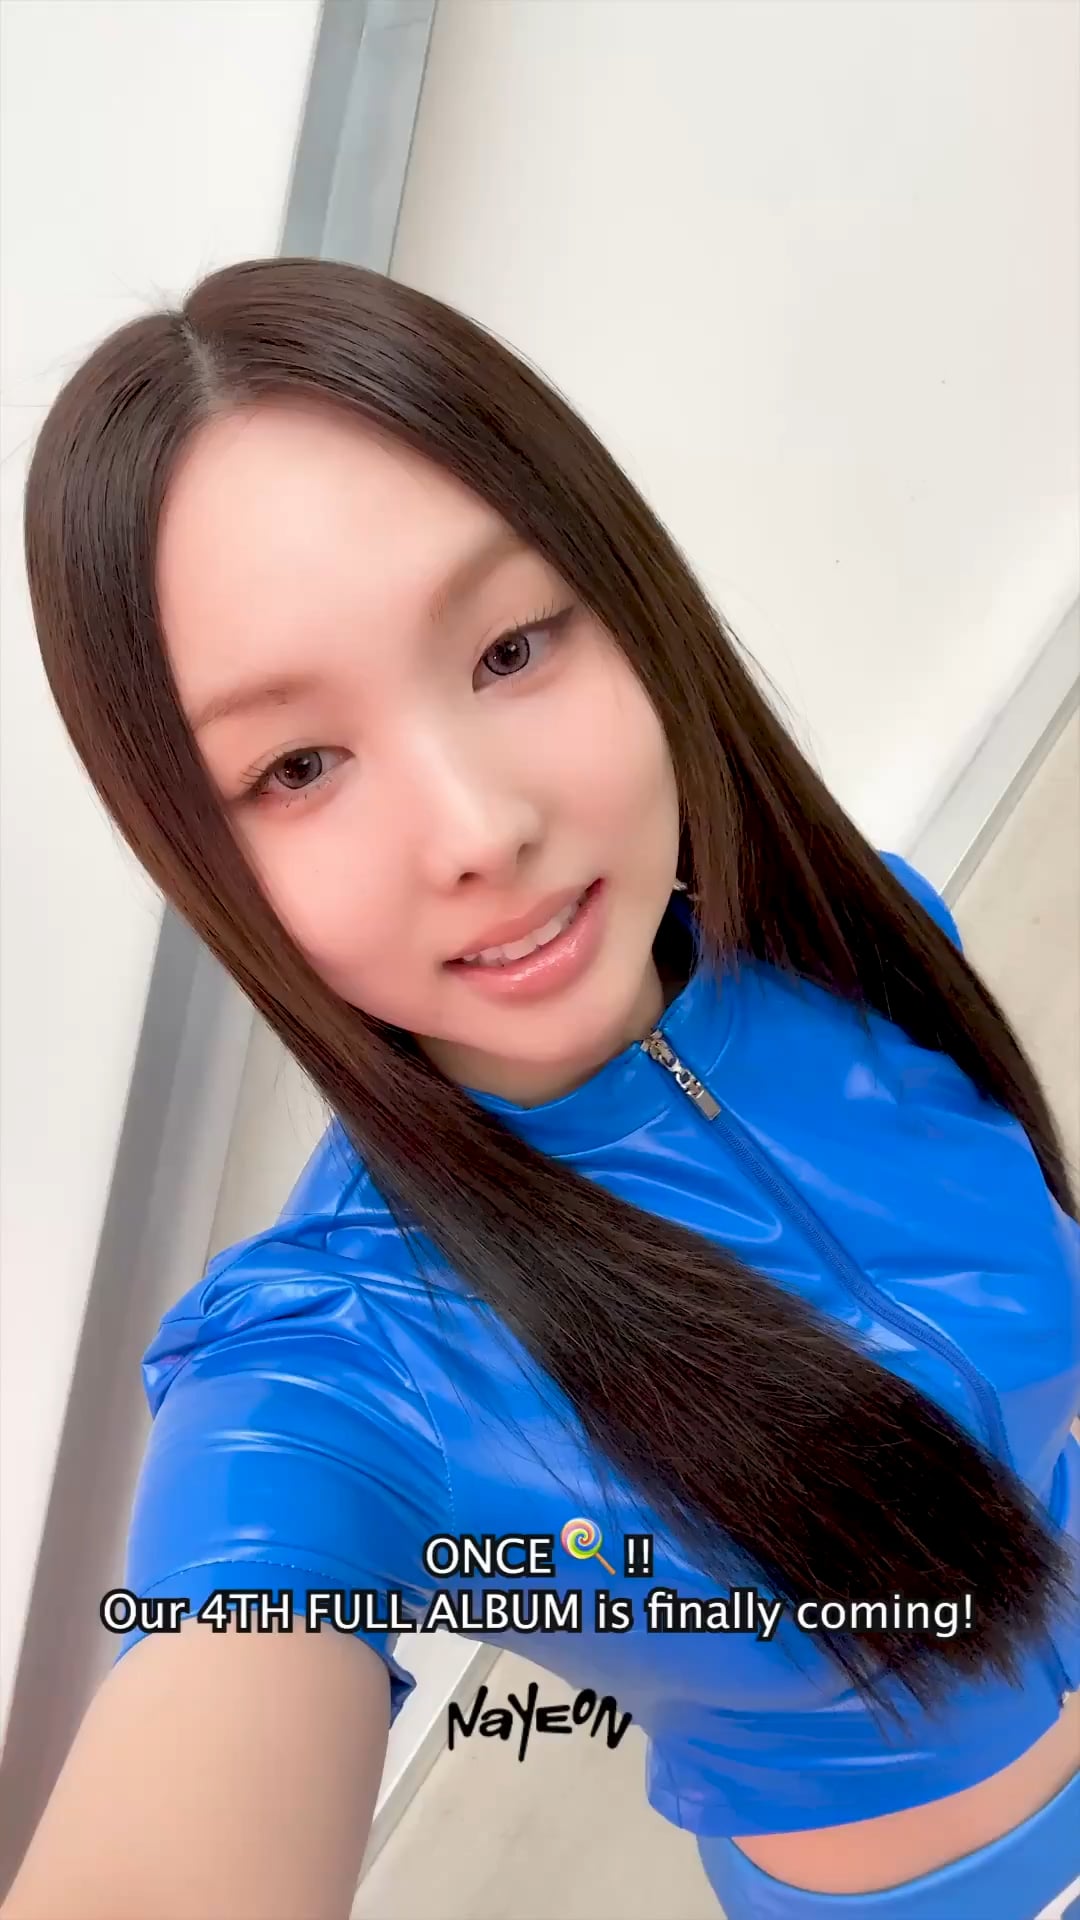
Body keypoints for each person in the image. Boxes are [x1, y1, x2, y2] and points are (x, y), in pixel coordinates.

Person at [4, 256, 1078, 1920]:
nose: (479, 829)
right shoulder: (340, 1364)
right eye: (298, 766)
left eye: (509, 647)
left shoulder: (859, 932)